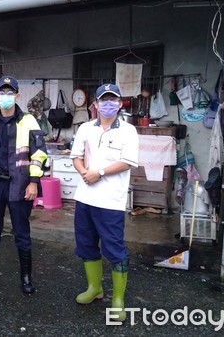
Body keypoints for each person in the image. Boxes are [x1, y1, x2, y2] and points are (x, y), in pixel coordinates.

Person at [0, 76, 47, 294]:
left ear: (17, 96)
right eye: (2, 93)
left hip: (20, 184)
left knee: (21, 232)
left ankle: (26, 278)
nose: (6, 96)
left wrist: (33, 182)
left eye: (10, 92)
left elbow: (39, 154)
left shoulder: (28, 121)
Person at [70, 83, 139, 322]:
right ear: (96, 105)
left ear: (120, 104)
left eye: (113, 100)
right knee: (87, 245)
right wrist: (83, 172)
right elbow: (76, 157)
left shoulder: (128, 131)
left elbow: (127, 162)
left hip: (111, 201)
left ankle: (118, 299)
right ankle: (94, 288)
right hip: (85, 197)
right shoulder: (86, 129)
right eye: (103, 100)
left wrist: (97, 172)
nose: (108, 104)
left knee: (115, 249)